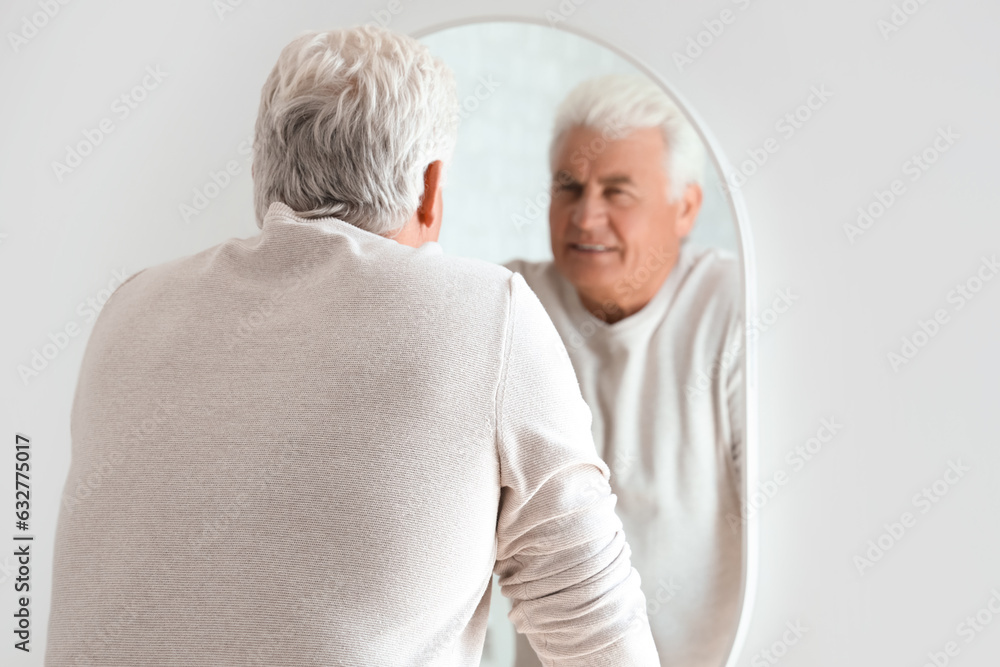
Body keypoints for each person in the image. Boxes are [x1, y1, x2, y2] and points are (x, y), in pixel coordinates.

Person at [44, 27, 660, 666]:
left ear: (263, 175)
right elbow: (595, 625)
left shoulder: (131, 310)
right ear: (430, 189)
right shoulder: (487, 313)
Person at [503, 74, 745, 667]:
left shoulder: (734, 305)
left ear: (684, 207)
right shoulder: (509, 306)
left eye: (617, 191)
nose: (586, 216)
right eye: (569, 186)